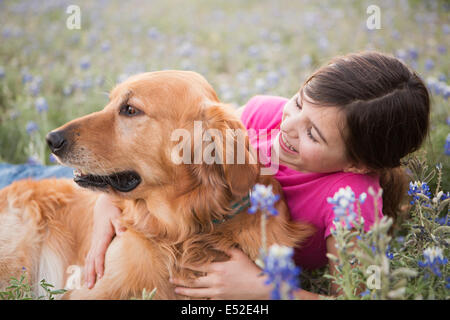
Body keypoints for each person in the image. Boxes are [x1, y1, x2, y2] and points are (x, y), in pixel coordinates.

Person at [84, 51, 430, 299]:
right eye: (298, 103)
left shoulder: (352, 199)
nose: (289, 126)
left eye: (313, 134)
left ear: (358, 164)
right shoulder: (267, 113)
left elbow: (355, 296)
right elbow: (174, 160)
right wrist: (107, 196)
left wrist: (266, 290)